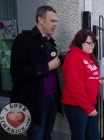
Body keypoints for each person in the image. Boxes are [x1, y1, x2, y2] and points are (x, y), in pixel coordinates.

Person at [10, 5, 66, 140]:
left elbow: (50, 64)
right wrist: (46, 67)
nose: (56, 24)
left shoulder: (49, 41)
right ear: (40, 19)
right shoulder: (24, 39)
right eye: (52, 21)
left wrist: (62, 58)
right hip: (36, 100)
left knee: (47, 134)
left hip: (52, 97)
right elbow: (16, 71)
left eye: (56, 21)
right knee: (36, 135)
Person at [61, 29, 103, 140]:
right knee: (79, 136)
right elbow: (75, 86)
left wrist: (96, 80)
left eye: (94, 43)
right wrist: (88, 107)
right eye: (90, 43)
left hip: (89, 103)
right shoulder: (74, 57)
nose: (93, 45)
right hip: (76, 105)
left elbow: (87, 77)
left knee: (94, 136)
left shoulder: (88, 57)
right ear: (80, 42)